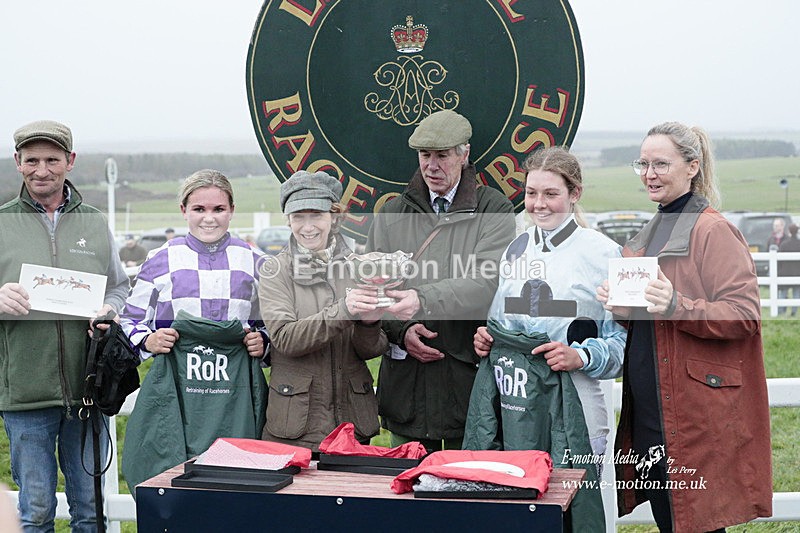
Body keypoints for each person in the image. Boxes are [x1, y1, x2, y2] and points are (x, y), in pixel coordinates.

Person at [596, 122, 772, 531]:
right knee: (671, 521)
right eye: (643, 164)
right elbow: (650, 321)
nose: (649, 174)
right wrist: (621, 308)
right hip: (652, 412)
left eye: (661, 164)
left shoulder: (713, 231)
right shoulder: (648, 234)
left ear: (692, 167)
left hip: (693, 417)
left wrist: (678, 305)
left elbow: (744, 314)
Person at [466, 147, 625, 531]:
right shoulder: (515, 249)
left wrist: (581, 356)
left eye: (551, 193)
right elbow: (499, 323)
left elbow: (623, 345)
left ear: (575, 193)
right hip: (520, 406)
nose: (539, 204)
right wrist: (487, 339)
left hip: (579, 401)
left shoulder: (606, 253)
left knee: (577, 514)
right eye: (531, 193)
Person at [0, 120, 130, 531]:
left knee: (90, 510)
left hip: (87, 389)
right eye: (32, 160)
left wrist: (109, 309)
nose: (42, 170)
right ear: (18, 162)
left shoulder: (93, 221)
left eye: (52, 160)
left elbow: (118, 286)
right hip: (25, 394)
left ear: (69, 161)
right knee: (36, 510)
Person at [365, 109, 516, 452]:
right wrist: (401, 331)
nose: (431, 166)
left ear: (464, 155)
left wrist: (421, 298)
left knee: (469, 480)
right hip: (407, 387)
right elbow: (373, 290)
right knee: (409, 479)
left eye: (442, 155)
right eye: (425, 155)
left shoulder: (493, 209)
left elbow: (487, 281)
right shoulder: (391, 214)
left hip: (467, 379)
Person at [120, 169, 269, 491]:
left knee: (237, 481)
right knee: (177, 477)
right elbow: (129, 319)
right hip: (177, 391)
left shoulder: (255, 260)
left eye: (219, 209)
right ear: (183, 210)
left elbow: (273, 324)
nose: (209, 218)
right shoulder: (160, 259)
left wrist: (264, 342)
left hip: (236, 394)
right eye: (199, 209)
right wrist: (149, 339)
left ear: (232, 210)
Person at [258, 170, 386, 450]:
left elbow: (369, 350)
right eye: (298, 217)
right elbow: (285, 339)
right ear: (288, 220)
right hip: (297, 428)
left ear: (335, 217)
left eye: (316, 215)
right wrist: (344, 310)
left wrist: (369, 324)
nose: (307, 227)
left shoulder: (359, 267)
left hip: (353, 425)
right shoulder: (275, 271)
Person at [778, 223, 800, 315]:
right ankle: (794, 312)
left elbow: (779, 261)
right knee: (796, 293)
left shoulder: (784, 244)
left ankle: (780, 311)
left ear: (789, 231)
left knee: (783, 293)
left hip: (785, 273)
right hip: (797, 273)